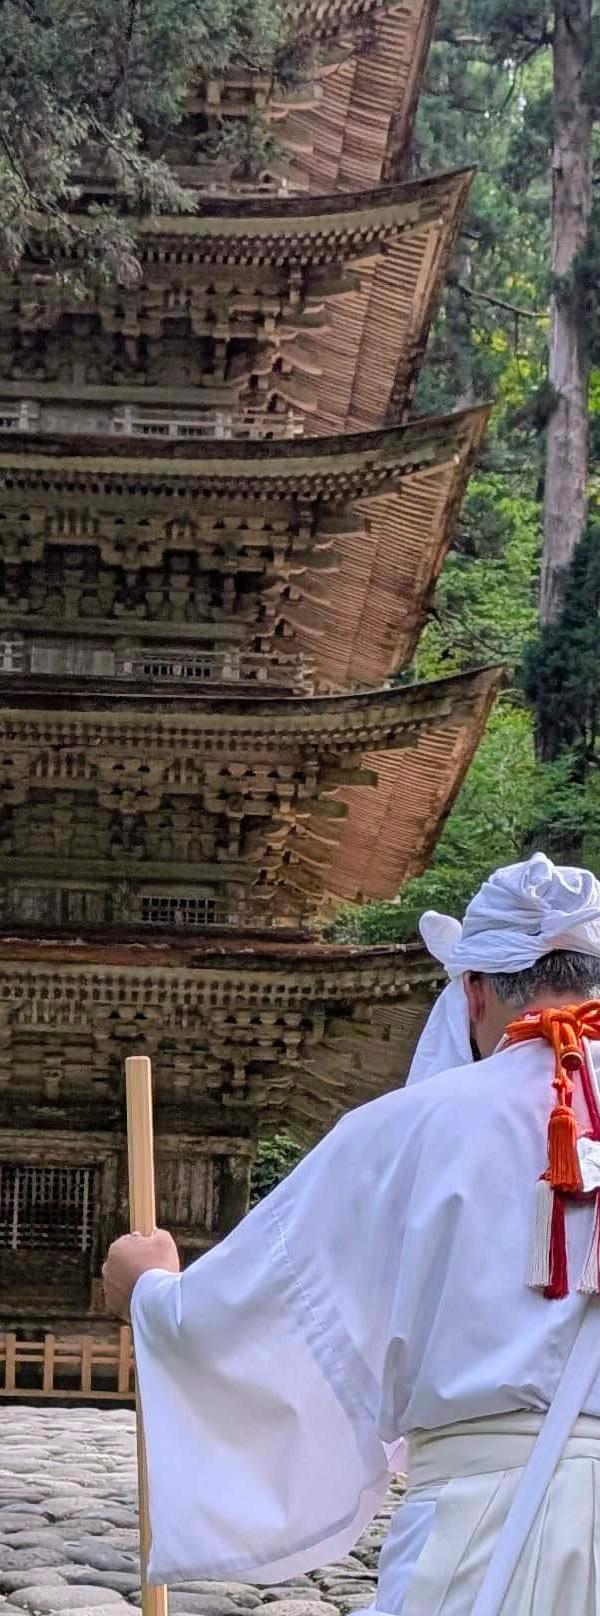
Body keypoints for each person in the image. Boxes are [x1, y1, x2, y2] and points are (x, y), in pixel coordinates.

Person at [103, 851, 600, 1615]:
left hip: (477, 1530)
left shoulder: (404, 1129)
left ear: (472, 990)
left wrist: (153, 1292)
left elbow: (278, 1300)